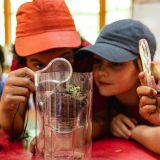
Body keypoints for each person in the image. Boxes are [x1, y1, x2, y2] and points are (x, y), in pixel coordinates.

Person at [0, 0, 108, 145]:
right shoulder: (21, 63)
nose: (53, 75)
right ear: (25, 61)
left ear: (75, 51)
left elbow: (104, 119)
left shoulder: (86, 58)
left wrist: (67, 140)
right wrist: (7, 109)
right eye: (39, 65)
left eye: (63, 59)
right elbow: (14, 131)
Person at [77, 19, 160, 155]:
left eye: (116, 63)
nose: (101, 72)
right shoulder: (101, 97)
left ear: (143, 67)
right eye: (97, 61)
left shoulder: (156, 92)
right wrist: (111, 121)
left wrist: (134, 131)